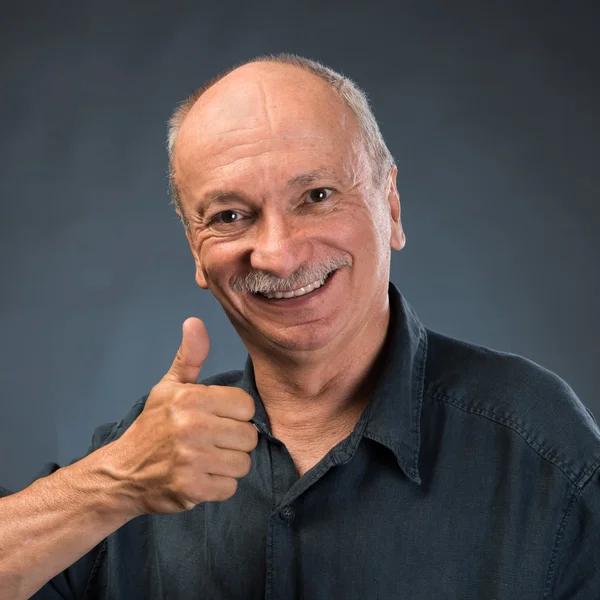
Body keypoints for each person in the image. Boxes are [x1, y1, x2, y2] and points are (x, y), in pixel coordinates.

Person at [1, 53, 598, 600]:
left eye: (316, 195)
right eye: (231, 215)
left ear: (390, 205)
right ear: (194, 250)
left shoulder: (538, 446)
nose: (279, 255)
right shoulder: (141, 457)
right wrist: (112, 484)